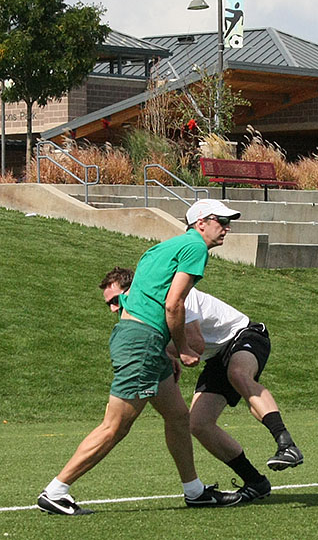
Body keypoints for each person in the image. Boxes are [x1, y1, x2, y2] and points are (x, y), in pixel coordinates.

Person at [37, 199, 243, 515]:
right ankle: (56, 490)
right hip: (142, 343)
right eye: (221, 221)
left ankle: (195, 491)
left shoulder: (161, 248)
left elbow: (145, 300)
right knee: (115, 426)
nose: (226, 228)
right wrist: (183, 349)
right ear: (200, 222)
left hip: (141, 341)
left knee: (177, 417)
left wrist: (161, 352)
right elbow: (173, 305)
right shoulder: (195, 249)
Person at [100, 267, 303, 504]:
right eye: (109, 305)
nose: (114, 308)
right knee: (198, 424)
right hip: (216, 356)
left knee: (238, 373)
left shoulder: (175, 293)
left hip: (244, 335)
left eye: (116, 299)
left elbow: (194, 342)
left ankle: (286, 444)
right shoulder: (142, 314)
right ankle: (255, 481)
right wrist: (166, 354)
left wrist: (161, 351)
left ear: (134, 290)